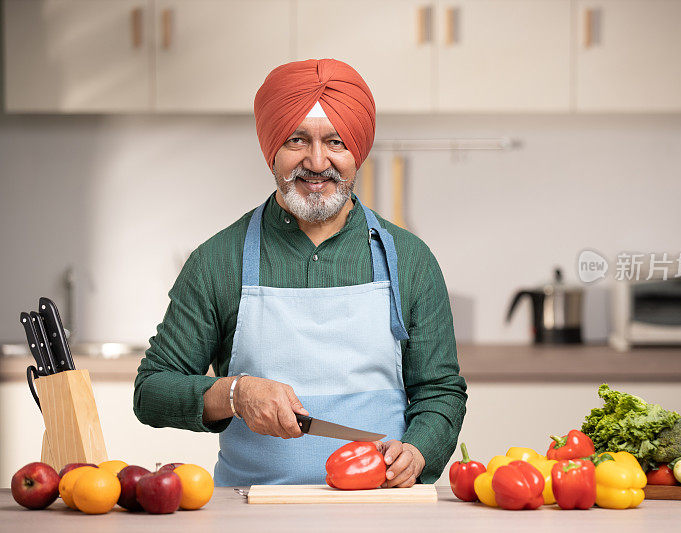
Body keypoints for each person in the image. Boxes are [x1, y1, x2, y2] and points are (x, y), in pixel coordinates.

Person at [134, 58, 467, 487]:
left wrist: (419, 452)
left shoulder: (410, 259)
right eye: (296, 139)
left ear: (357, 151)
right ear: (272, 147)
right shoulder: (219, 260)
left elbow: (439, 391)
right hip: (250, 511)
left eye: (335, 142)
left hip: (381, 511)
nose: (316, 161)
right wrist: (234, 393)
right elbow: (152, 390)